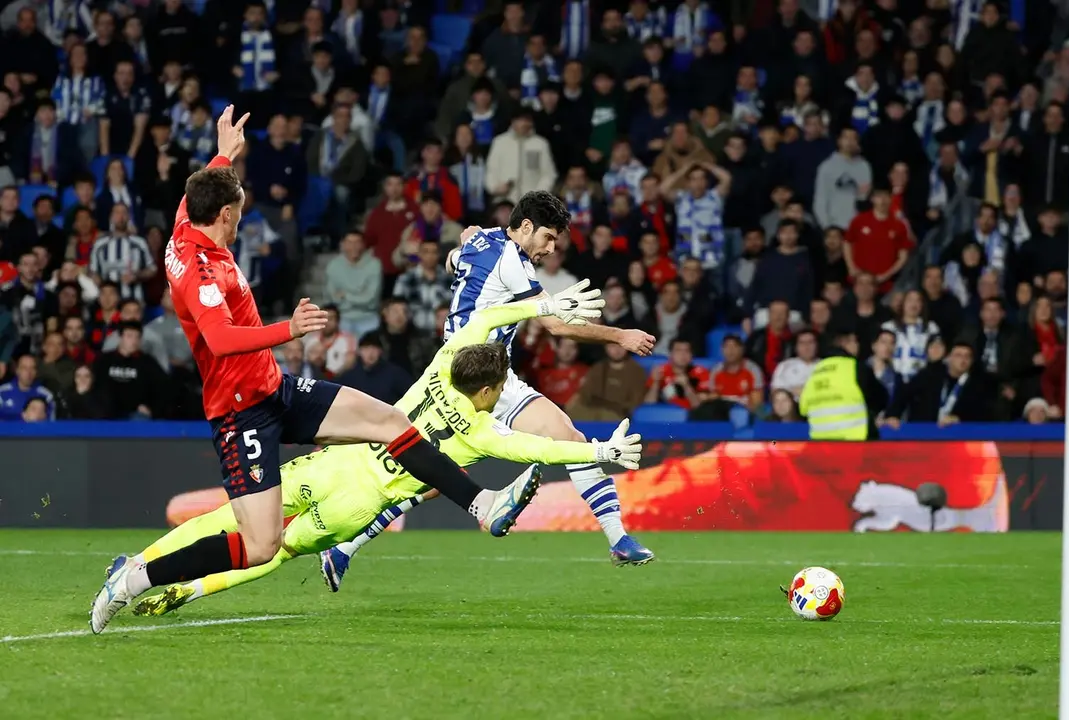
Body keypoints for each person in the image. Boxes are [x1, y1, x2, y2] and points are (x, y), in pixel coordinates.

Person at [90, 107, 543, 634]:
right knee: (261, 547)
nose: (241, 217)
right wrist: (291, 329)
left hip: (275, 389)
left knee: (391, 424)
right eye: (238, 211)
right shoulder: (198, 268)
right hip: (242, 414)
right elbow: (218, 340)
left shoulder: (189, 217)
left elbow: (208, 188)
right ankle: (133, 579)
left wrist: (224, 152)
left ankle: (482, 505)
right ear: (224, 216)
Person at [122, 293, 643, 617]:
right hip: (356, 504)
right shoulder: (482, 434)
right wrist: (602, 450)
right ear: (489, 390)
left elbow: (487, 317)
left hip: (336, 463)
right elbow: (543, 448)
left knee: (230, 518)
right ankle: (187, 592)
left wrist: (544, 306)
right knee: (271, 551)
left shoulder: (440, 368)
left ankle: (141, 564)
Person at [323, 190, 658, 581]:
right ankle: (344, 545)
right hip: (461, 383)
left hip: (494, 378)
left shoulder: (481, 240)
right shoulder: (511, 260)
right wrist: (620, 336)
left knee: (568, 438)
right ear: (527, 227)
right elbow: (554, 324)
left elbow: (454, 259)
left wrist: (463, 244)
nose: (551, 249)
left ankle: (618, 539)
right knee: (426, 476)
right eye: (548, 238)